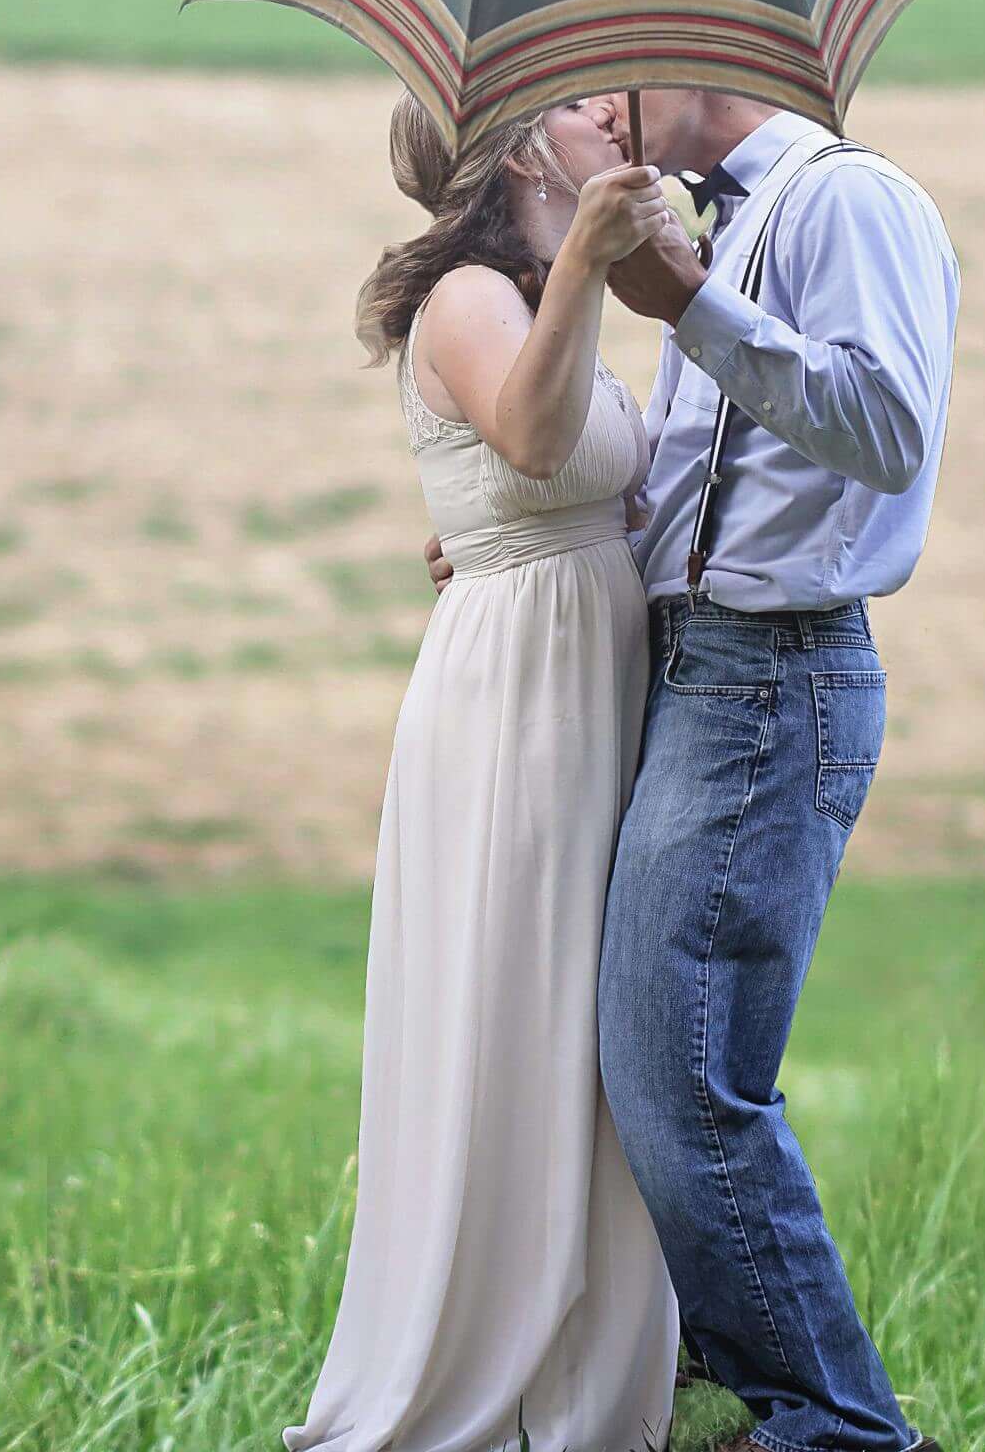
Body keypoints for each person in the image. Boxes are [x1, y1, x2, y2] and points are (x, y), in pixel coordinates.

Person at [287, 91, 688, 1452]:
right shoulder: (470, 294)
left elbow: (593, 478)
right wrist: (588, 256)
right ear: (523, 150)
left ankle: (596, 1374)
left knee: (590, 1027)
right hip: (518, 697)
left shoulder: (536, 294)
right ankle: (500, 1373)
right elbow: (528, 441)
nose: (612, 119)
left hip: (587, 673)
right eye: (581, 108)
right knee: (520, 1005)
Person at [588, 83, 956, 1452]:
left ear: (698, 55)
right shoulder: (721, 225)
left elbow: (889, 427)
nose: (604, 122)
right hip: (704, 672)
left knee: (686, 1075)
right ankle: (731, 1394)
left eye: (617, 79)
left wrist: (689, 304)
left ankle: (838, 1430)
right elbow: (694, 491)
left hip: (770, 674)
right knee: (649, 1064)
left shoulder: (847, 200)